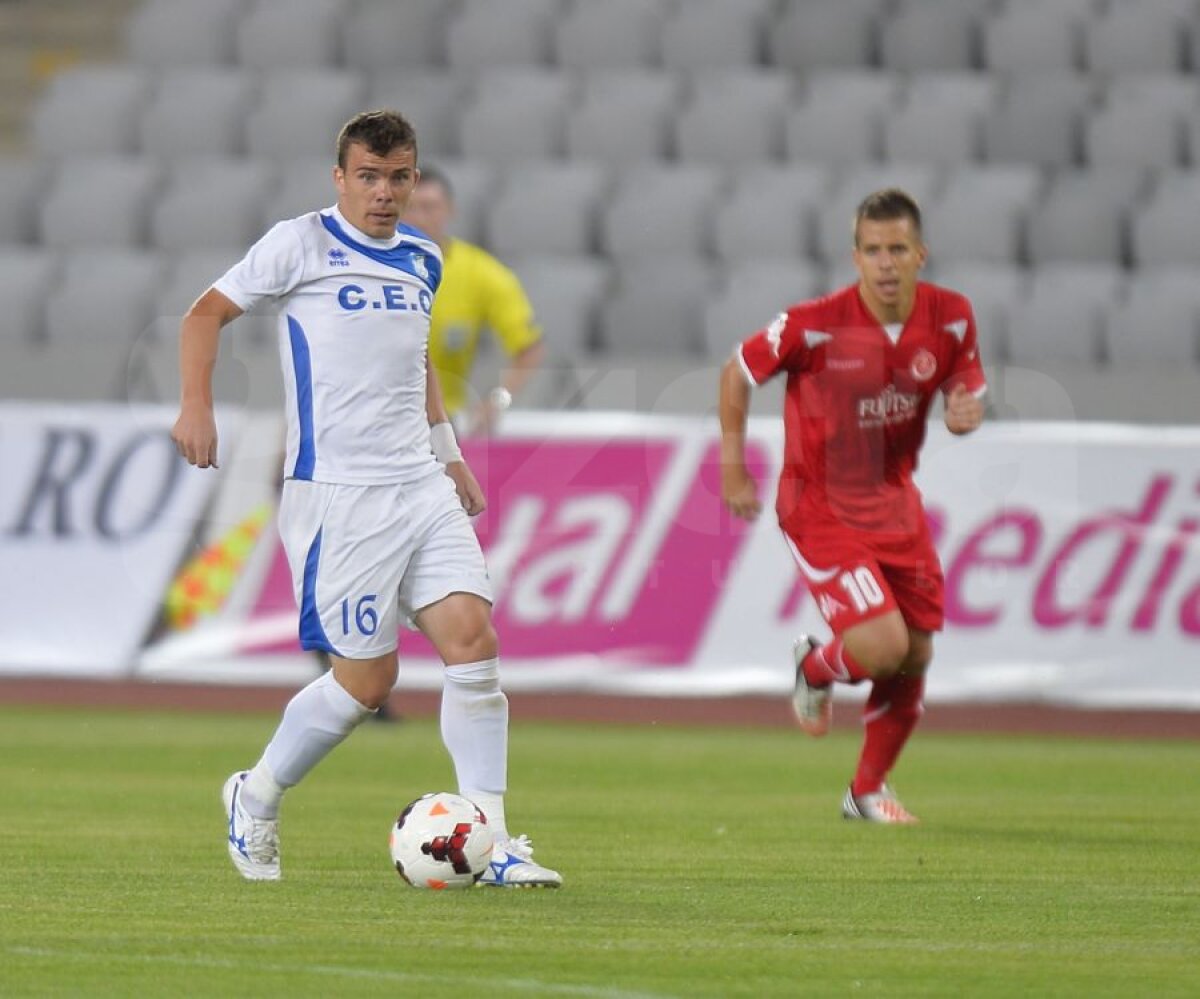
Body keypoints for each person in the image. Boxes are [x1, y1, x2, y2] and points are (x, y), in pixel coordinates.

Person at [170, 109, 561, 886]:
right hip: (339, 495)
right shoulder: (299, 243)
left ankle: (494, 841)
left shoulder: (422, 258)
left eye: (398, 177)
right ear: (340, 178)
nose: (385, 192)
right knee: (367, 683)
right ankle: (256, 793)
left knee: (473, 640)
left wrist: (448, 455)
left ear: (414, 180)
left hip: (418, 482)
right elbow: (204, 313)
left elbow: (418, 364)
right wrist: (196, 406)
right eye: (370, 177)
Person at [717, 189, 986, 824]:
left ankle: (866, 791)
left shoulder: (952, 317)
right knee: (885, 647)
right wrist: (733, 465)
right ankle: (816, 668)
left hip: (895, 503)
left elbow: (966, 386)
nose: (886, 262)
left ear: (920, 254)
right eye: (873, 250)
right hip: (819, 506)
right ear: (856, 257)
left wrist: (966, 410)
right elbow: (737, 371)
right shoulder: (814, 324)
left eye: (898, 249)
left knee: (915, 655)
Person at [401, 166, 545, 435]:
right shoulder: (365, 268)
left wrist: (498, 400)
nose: (418, 218)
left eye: (429, 207)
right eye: (409, 207)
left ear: (450, 210)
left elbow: (529, 348)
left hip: (440, 425)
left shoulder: (481, 273)